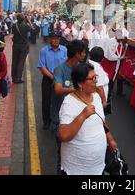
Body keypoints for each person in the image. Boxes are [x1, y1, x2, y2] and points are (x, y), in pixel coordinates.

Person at [58, 63, 118, 175]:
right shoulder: (69, 103)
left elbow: (102, 121)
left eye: (96, 77)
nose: (96, 81)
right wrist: (82, 115)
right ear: (80, 83)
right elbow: (63, 136)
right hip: (76, 169)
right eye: (93, 78)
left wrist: (110, 140)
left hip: (97, 166)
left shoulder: (96, 96)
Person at [52, 40, 87, 175]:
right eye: (83, 52)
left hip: (78, 119)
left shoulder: (83, 69)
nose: (85, 55)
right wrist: (77, 89)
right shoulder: (60, 69)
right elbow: (58, 89)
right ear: (77, 54)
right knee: (63, 158)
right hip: (61, 120)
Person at [37, 32, 68, 130]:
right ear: (50, 39)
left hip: (61, 79)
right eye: (53, 39)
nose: (55, 41)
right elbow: (42, 67)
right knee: (46, 101)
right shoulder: (44, 51)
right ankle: (46, 122)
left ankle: (59, 120)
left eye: (57, 39)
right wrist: (53, 77)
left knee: (61, 100)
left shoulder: (64, 50)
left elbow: (67, 64)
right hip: (48, 78)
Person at [11, 14, 34, 84]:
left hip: (15, 45)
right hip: (23, 45)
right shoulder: (26, 26)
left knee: (14, 60)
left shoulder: (14, 25)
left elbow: (13, 33)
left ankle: (13, 77)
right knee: (21, 61)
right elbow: (32, 28)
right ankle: (18, 78)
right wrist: (29, 20)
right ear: (23, 19)